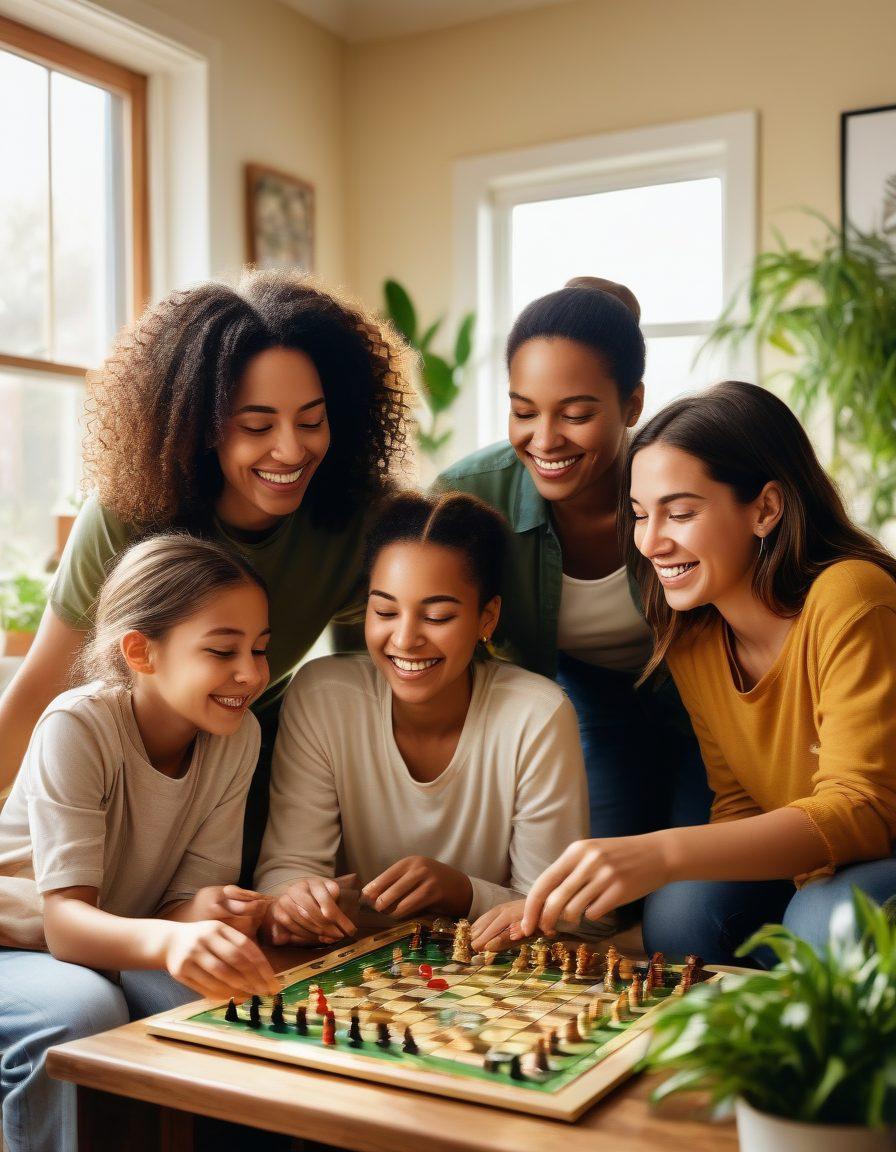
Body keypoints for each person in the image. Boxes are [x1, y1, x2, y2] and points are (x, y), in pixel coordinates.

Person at [0, 270, 411, 876]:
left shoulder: (361, 519)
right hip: (119, 782)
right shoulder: (127, 513)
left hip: (243, 768)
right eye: (256, 425)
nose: (291, 450)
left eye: (312, 420)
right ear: (198, 425)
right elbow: (40, 690)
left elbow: (412, 644)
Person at [497, 381, 896, 964]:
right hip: (818, 862)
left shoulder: (852, 596)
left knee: (825, 921)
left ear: (765, 508)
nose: (651, 542)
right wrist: (560, 907)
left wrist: (661, 853)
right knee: (682, 915)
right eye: (638, 515)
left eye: (680, 513)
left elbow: (865, 810)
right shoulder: (692, 633)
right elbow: (740, 801)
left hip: (876, 855)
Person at [0, 534, 280, 1152]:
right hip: (18, 942)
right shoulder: (77, 726)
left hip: (114, 935)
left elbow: (181, 905)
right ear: (140, 652)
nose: (251, 673)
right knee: (80, 1012)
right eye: (221, 650)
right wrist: (176, 933)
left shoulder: (238, 736)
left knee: (222, 998)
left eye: (259, 649)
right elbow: (68, 925)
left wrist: (205, 913)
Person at [436, 278, 711, 842]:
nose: (545, 439)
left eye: (576, 415)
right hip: (581, 696)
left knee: (692, 910)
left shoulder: (689, 481)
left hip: (702, 696)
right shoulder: (468, 498)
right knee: (588, 904)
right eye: (523, 412)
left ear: (632, 404)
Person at [253, 491, 588, 943]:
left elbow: (555, 913)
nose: (406, 639)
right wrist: (296, 899)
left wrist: (461, 891)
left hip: (484, 981)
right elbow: (286, 871)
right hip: (351, 961)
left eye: (437, 615)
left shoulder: (537, 715)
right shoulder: (322, 696)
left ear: (486, 618)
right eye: (385, 611)